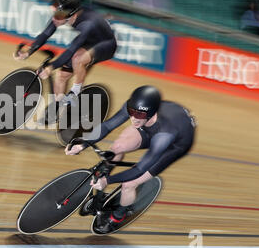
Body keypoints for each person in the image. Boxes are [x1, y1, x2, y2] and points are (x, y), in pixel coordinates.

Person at [65, 85, 196, 234]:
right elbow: (108, 126)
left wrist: (107, 181)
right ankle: (100, 194)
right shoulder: (136, 109)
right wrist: (84, 144)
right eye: (131, 112)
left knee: (129, 184)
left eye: (138, 114)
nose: (133, 118)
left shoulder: (164, 136)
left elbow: (139, 169)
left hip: (173, 145)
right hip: (151, 126)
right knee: (117, 147)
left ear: (151, 113)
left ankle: (119, 215)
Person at [14, 0, 117, 124]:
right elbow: (46, 34)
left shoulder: (87, 24)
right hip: (89, 40)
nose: (54, 18)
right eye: (54, 13)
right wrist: (29, 51)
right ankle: (57, 108)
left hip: (106, 45)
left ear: (71, 14)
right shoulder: (63, 14)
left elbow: (71, 50)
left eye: (58, 15)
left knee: (77, 59)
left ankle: (76, 91)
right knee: (61, 76)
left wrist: (51, 67)